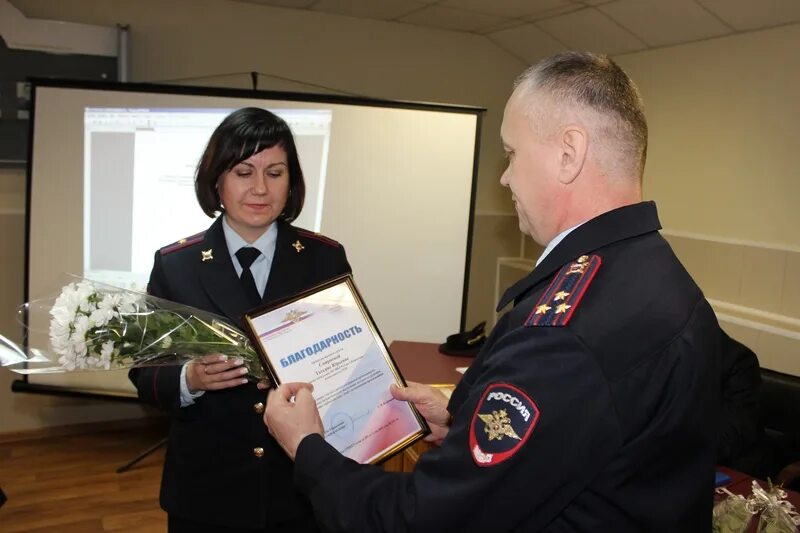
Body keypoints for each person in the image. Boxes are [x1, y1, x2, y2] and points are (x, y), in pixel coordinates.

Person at [264, 51, 722, 531]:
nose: (504, 176)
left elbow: (422, 521)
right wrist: (460, 423)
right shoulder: (660, 274)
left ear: (569, 153)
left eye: (511, 153)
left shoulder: (563, 335)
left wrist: (307, 447)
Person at [129, 107, 351, 533]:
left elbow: (347, 358)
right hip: (207, 491)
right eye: (243, 172)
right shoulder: (177, 265)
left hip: (300, 487)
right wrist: (190, 378)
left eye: (275, 172)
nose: (260, 189)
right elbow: (144, 373)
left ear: (292, 182)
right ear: (218, 180)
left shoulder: (325, 259)